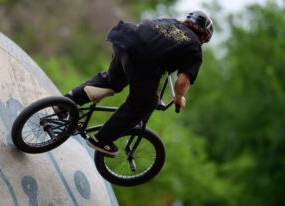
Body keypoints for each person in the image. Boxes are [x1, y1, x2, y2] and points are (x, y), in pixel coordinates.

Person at [63, 11, 213, 156]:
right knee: (145, 103)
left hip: (124, 39)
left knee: (112, 80)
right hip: (141, 58)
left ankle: (68, 101)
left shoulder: (170, 22)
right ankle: (101, 140)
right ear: (204, 37)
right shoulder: (194, 47)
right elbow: (181, 83)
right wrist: (179, 98)